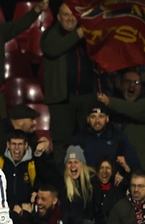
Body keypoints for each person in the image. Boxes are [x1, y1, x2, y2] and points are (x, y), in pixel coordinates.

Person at [41, 2, 98, 163]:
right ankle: (61, 176)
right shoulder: (51, 34)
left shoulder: (87, 34)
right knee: (61, 143)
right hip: (62, 100)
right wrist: (79, 33)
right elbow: (53, 48)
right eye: (66, 14)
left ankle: (89, 176)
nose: (70, 18)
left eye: (73, 14)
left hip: (87, 96)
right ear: (58, 17)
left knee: (89, 139)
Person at [97, 68, 145, 187]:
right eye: (127, 82)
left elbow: (133, 109)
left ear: (141, 87)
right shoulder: (114, 111)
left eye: (136, 82)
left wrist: (108, 101)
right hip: (124, 170)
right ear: (120, 85)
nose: (132, 85)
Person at [69, 100, 140, 172]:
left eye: (101, 116)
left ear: (107, 118)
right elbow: (68, 166)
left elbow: (134, 162)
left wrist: (125, 173)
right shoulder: (78, 140)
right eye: (93, 117)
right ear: (88, 119)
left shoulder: (118, 137)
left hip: (111, 178)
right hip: (87, 178)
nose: (97, 121)